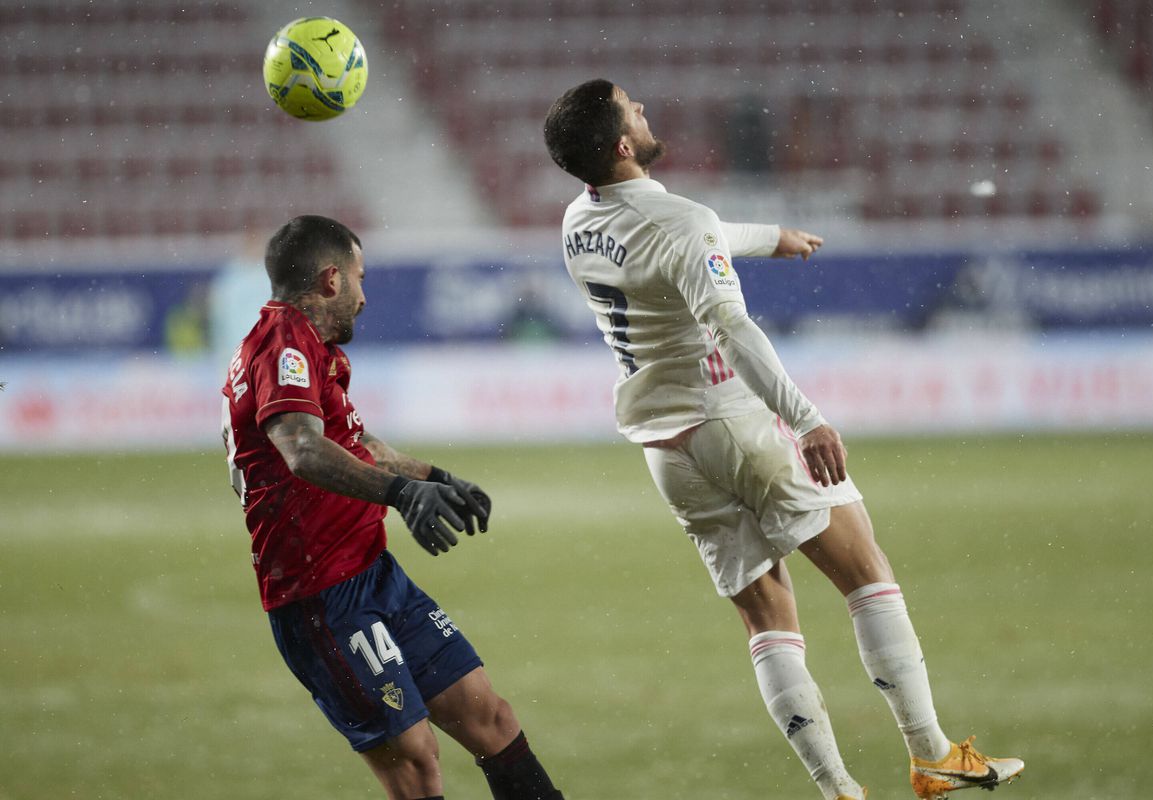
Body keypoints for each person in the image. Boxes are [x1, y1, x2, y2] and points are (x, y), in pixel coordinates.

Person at [543, 80, 1024, 800]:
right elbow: (732, 322)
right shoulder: (682, 221)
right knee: (867, 574)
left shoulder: (578, 220)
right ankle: (932, 757)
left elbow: (687, 235)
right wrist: (807, 418)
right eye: (632, 108)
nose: (645, 109)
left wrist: (771, 238)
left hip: (666, 449)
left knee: (766, 617)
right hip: (734, 421)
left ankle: (837, 790)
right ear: (620, 144)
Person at [219, 215, 565, 800]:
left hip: (375, 575)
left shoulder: (309, 347)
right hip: (321, 595)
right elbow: (302, 449)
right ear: (331, 280)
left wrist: (435, 477)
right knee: (415, 761)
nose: (364, 292)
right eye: (358, 277)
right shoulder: (283, 346)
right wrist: (404, 495)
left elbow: (355, 443)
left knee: (492, 720)